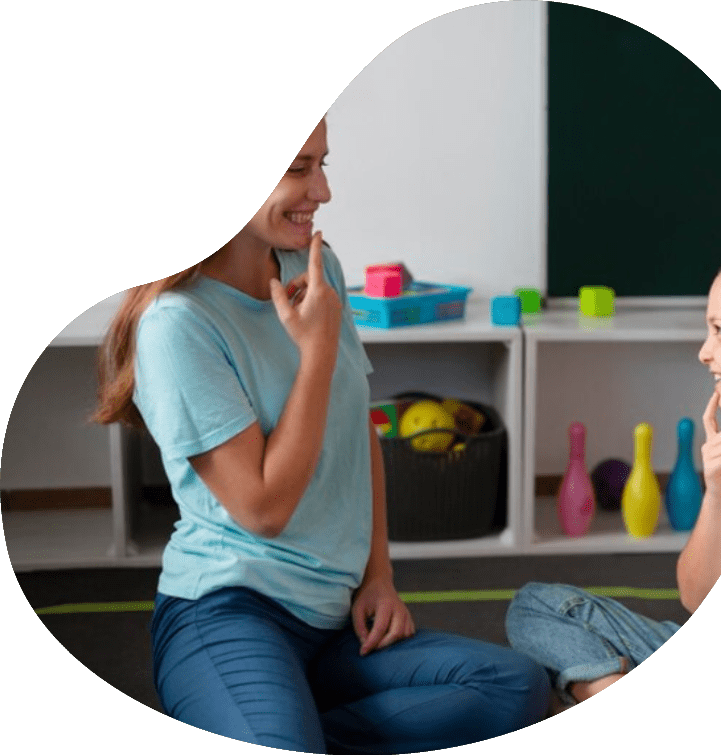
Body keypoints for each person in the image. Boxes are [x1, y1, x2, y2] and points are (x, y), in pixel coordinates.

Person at [94, 117, 550, 752]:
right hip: (228, 612)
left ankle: (286, 726)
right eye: (298, 169)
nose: (324, 191)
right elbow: (262, 510)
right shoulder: (177, 323)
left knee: (516, 687)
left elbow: (354, 426)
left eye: (322, 164)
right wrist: (316, 351)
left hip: (335, 621)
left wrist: (378, 575)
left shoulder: (316, 268)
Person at [505, 244, 721, 711]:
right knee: (535, 605)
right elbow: (694, 597)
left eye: (720, 331)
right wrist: (717, 497)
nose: (705, 352)